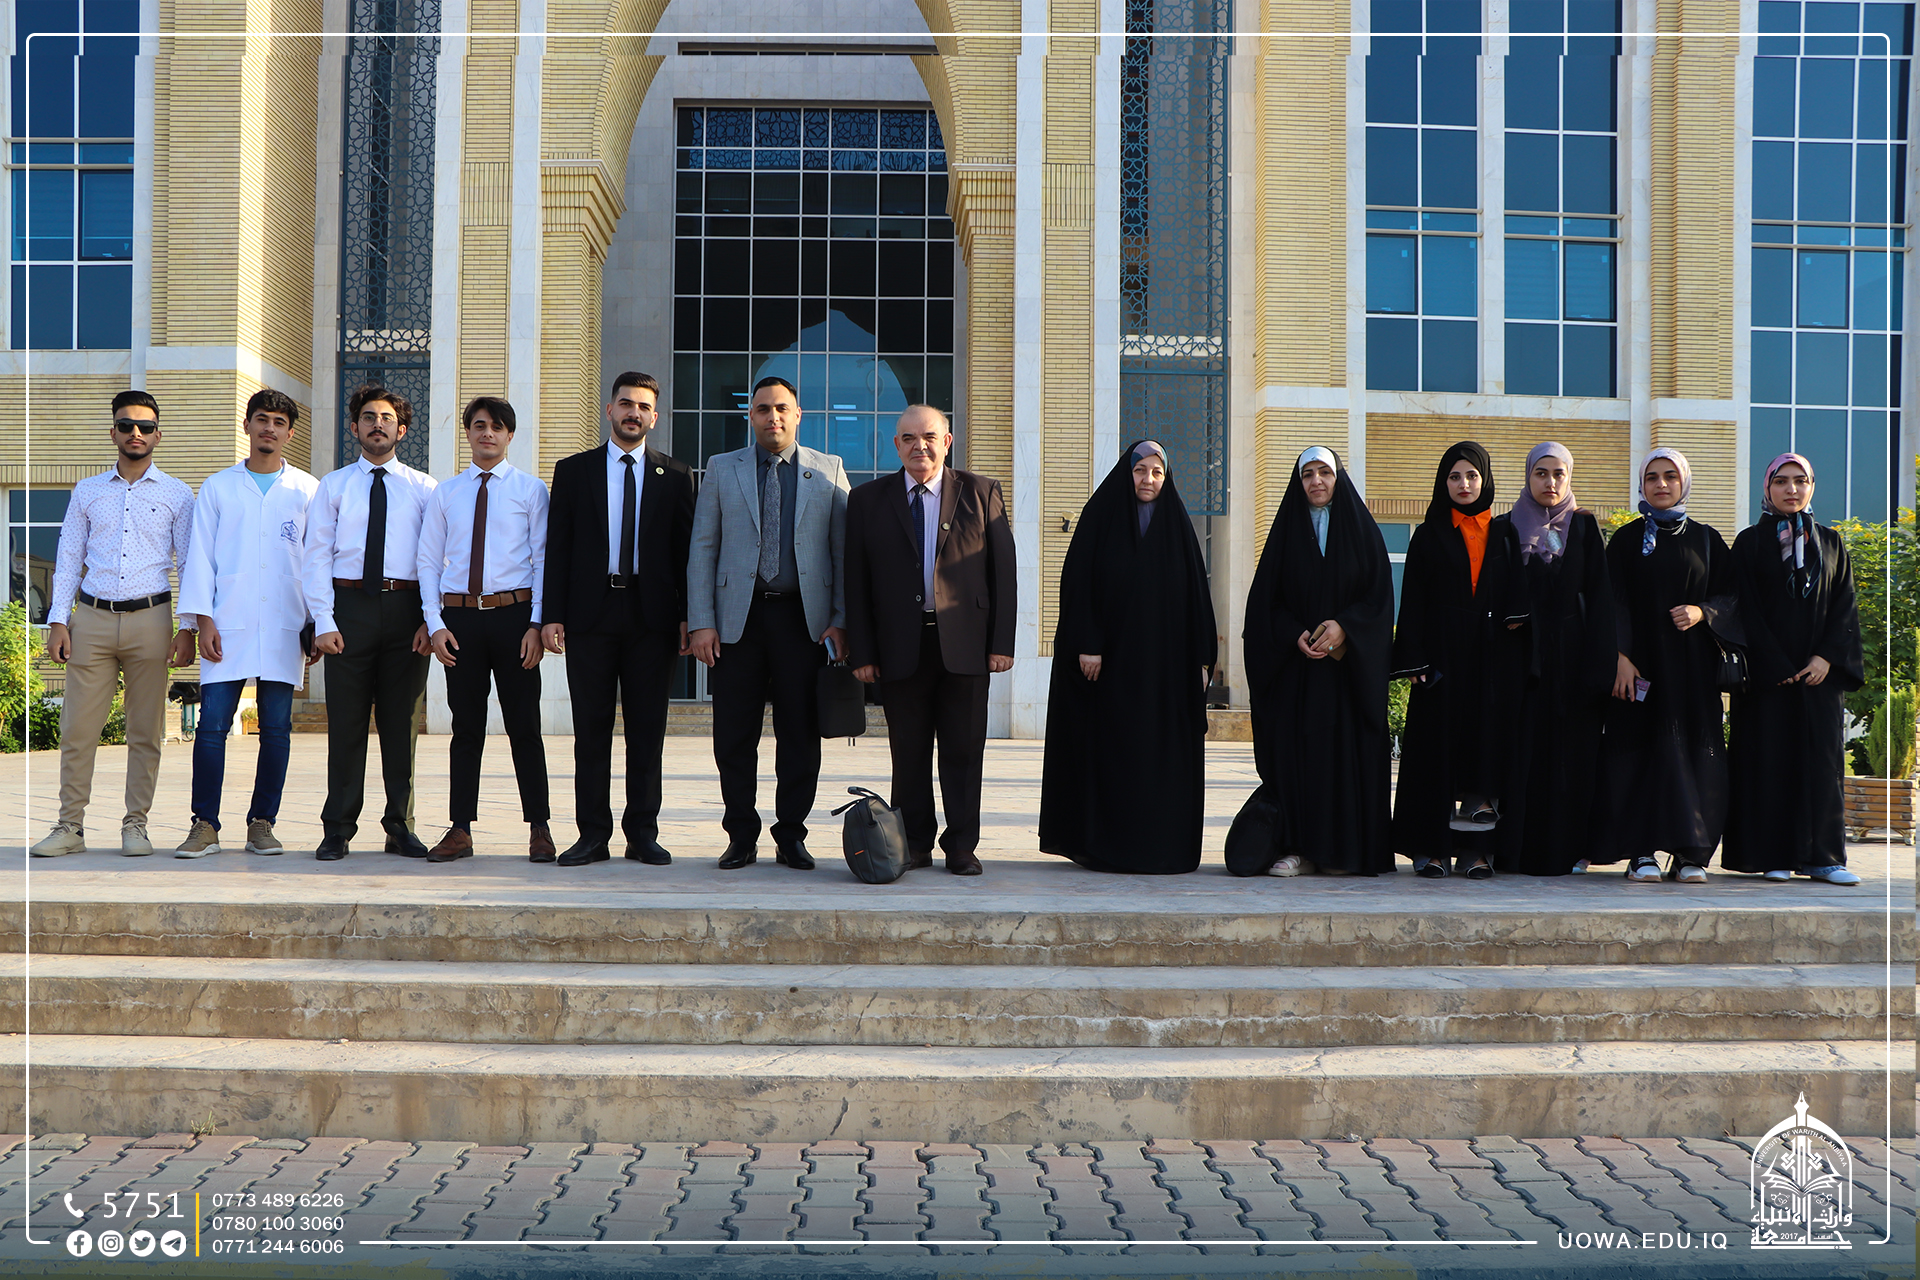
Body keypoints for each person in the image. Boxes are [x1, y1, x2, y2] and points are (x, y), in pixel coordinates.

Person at [686, 375, 849, 872]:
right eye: (762, 409)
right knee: (734, 736)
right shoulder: (721, 467)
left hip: (804, 622)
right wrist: (701, 622)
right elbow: (703, 548)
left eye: (781, 409)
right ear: (750, 416)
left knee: (800, 736)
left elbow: (843, 553)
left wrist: (841, 620)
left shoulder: (828, 469)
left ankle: (791, 835)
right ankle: (741, 836)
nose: (772, 417)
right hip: (739, 622)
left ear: (798, 415)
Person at [845, 405, 1016, 877]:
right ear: (895, 445)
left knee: (964, 751)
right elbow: (856, 581)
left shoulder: (981, 492)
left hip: (966, 647)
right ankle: (916, 844)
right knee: (909, 753)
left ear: (947, 441)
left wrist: (1001, 642)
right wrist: (863, 653)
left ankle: (961, 846)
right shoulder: (867, 500)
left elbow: (1003, 572)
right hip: (900, 648)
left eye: (929, 437)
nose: (919, 446)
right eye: (908, 438)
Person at [31, 390, 197, 858]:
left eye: (145, 426)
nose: (136, 433)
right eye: (126, 425)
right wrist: (58, 621)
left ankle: (136, 825)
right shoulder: (87, 491)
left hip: (151, 619)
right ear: (113, 433)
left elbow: (188, 563)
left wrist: (187, 627)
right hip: (92, 619)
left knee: (144, 731)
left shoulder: (178, 494)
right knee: (77, 729)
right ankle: (70, 826)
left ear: (158, 435)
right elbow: (68, 558)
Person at [1038, 440, 1215, 874]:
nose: (1148, 479)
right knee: (1112, 757)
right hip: (1110, 670)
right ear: (1127, 473)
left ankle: (1160, 848)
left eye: (1157, 472)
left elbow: (1196, 597)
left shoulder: (1177, 527)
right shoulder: (1101, 518)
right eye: (1140, 470)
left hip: (1163, 673)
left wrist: (1202, 659)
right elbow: (1079, 584)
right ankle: (1107, 847)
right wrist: (1088, 642)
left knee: (1159, 760)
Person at [541, 372, 696, 867]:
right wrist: (551, 615)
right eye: (626, 403)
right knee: (591, 732)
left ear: (655, 417)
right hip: (590, 615)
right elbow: (557, 548)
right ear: (610, 410)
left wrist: (688, 617)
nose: (634, 413)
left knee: (647, 733)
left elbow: (686, 555)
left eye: (643, 406)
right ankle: (592, 835)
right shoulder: (574, 471)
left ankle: (642, 834)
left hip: (653, 618)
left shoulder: (677, 475)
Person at [173, 390, 321, 857]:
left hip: (285, 624)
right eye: (262, 419)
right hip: (227, 623)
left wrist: (318, 623)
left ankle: (262, 822)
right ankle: (204, 824)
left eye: (279, 422)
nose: (269, 428)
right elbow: (200, 557)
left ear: (290, 433)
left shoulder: (307, 489)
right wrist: (200, 621)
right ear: (247, 426)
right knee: (212, 727)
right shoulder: (219, 487)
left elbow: (318, 561)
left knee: (276, 729)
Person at [1240, 446, 1395, 877]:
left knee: (1344, 762)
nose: (1316, 481)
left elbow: (1379, 599)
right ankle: (1299, 849)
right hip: (1298, 677)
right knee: (1300, 762)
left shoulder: (1362, 533)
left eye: (1324, 472)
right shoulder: (1286, 534)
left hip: (1347, 678)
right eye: (1307, 474)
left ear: (1337, 477)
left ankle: (1345, 853)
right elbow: (1265, 605)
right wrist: (1294, 634)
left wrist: (1345, 627)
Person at [1592, 448, 1742, 884]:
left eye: (1670, 476)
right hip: (1639, 672)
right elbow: (1608, 602)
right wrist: (1619, 657)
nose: (1661, 484)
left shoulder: (1707, 539)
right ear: (1641, 485)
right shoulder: (1625, 541)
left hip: (1693, 672)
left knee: (1695, 756)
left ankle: (1690, 854)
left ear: (1684, 482)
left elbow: (1733, 597)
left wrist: (1702, 612)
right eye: (1652, 477)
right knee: (1639, 757)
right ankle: (1641, 854)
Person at [300, 385, 437, 862]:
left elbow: (435, 559)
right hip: (348, 609)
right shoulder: (333, 486)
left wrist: (430, 619)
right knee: (347, 724)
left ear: (402, 430)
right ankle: (337, 828)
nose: (377, 424)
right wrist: (323, 620)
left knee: (402, 725)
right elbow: (316, 556)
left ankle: (400, 826)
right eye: (368, 417)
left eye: (387, 418)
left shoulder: (424, 488)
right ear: (354, 427)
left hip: (406, 611)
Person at [416, 397, 553, 863]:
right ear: (468, 433)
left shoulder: (531, 491)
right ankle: (460, 829)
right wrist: (435, 623)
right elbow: (428, 561)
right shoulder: (447, 493)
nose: (487, 433)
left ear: (510, 435)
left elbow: (542, 560)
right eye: (479, 425)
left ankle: (539, 827)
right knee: (466, 727)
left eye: (497, 426)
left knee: (524, 725)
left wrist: (535, 622)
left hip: (515, 619)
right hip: (460, 622)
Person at [1722, 453, 1864, 885]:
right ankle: (1773, 855)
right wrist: (1772, 663)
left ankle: (1824, 858)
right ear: (1767, 488)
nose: (1791, 489)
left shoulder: (1831, 542)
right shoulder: (1749, 542)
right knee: (1767, 762)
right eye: (1781, 481)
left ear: (1812, 486)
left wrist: (1826, 657)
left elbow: (1844, 605)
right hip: (1768, 679)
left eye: (1800, 480)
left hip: (1819, 677)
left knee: (1821, 764)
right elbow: (1742, 607)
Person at [1388, 441, 1525, 880]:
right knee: (1435, 755)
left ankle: (1475, 852)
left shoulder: (1504, 533)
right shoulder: (1428, 534)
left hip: (1489, 660)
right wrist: (1415, 660)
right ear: (1442, 482)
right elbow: (1412, 601)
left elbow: (1516, 595)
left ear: (1485, 480)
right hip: (1441, 660)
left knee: (1484, 751)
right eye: (1454, 476)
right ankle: (1430, 848)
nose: (1463, 484)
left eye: (1471, 475)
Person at [1490, 441, 1615, 876]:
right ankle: (1513, 850)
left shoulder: (1584, 526)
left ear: (1569, 477)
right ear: (1528, 477)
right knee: (1522, 753)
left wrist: (1599, 668)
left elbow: (1600, 597)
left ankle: (1570, 849)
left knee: (1572, 757)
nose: (1550, 482)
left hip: (1573, 662)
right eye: (1541, 473)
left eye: (1558, 473)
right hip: (1520, 662)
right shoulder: (1506, 528)